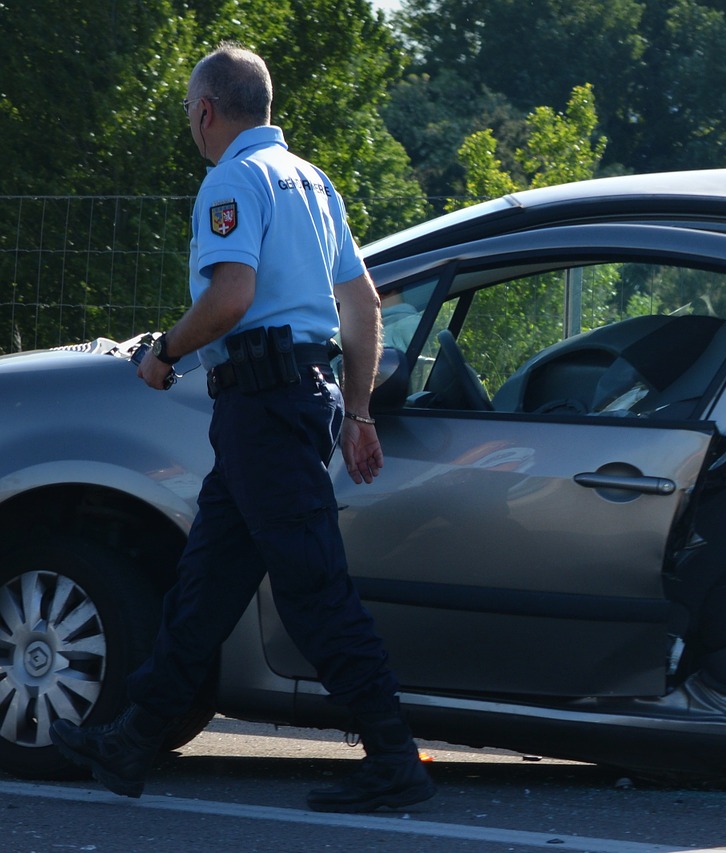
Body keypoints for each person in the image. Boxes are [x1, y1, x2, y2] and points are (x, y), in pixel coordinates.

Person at [50, 42, 435, 814]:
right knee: (207, 583)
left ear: (205, 111)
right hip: (296, 403)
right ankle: (132, 742)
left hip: (263, 407)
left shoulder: (232, 179)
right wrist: (357, 411)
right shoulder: (311, 180)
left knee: (312, 587)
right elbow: (360, 306)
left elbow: (231, 296)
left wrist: (164, 352)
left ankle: (394, 757)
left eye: (190, 114)